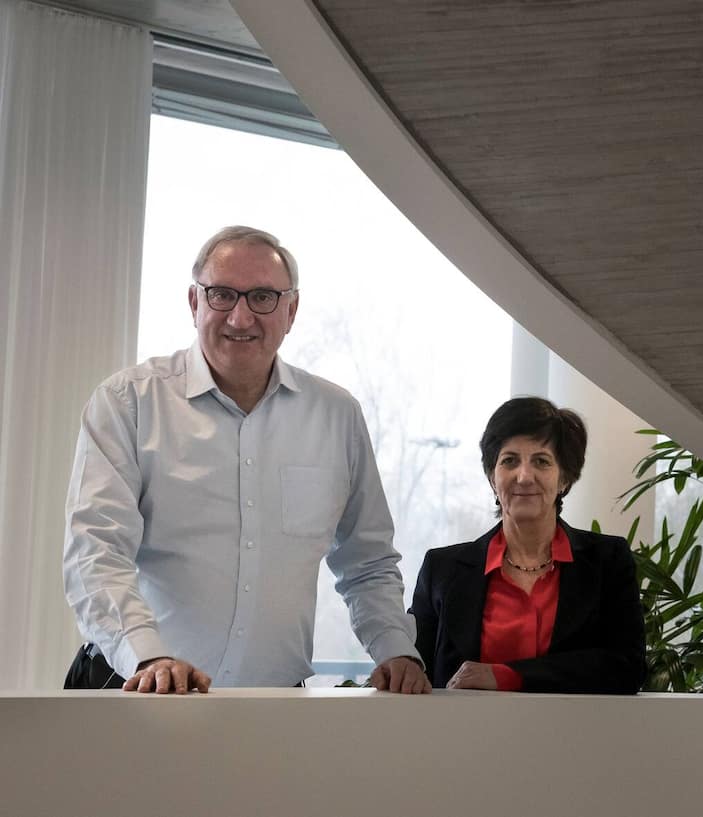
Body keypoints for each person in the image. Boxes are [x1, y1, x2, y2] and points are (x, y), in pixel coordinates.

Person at [63, 226, 429, 694]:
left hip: (273, 707)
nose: (240, 317)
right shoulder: (129, 402)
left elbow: (367, 562)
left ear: (291, 311)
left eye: (262, 297)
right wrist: (149, 656)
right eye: (221, 295)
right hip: (138, 688)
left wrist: (396, 650)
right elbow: (96, 552)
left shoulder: (336, 416)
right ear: (194, 303)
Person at [410, 397, 646, 693]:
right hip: (462, 725)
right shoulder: (441, 569)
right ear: (492, 477)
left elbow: (627, 667)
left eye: (541, 461)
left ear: (564, 478)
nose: (524, 477)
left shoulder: (608, 561)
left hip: (573, 725)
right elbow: (414, 668)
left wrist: (508, 676)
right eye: (509, 461)